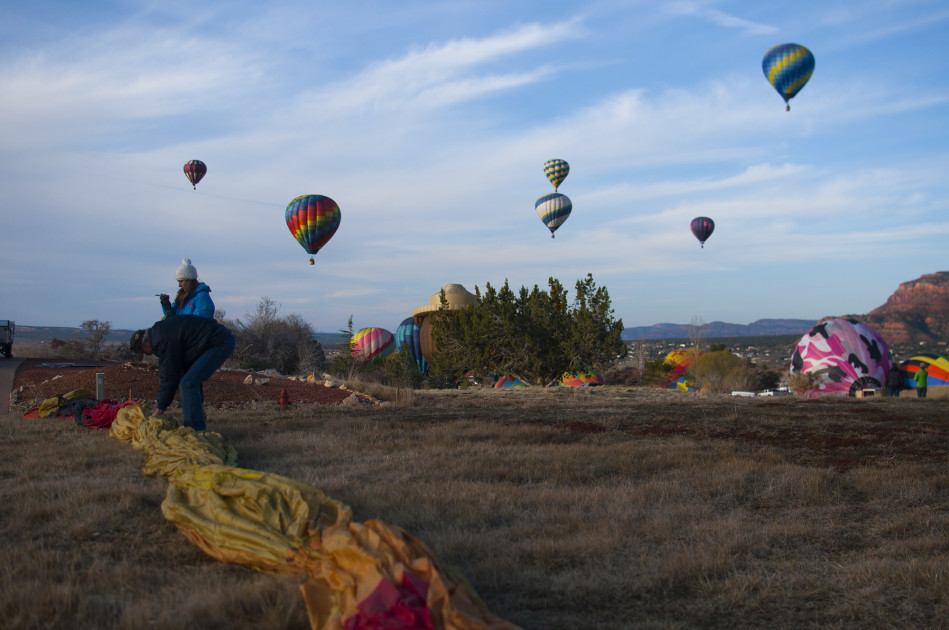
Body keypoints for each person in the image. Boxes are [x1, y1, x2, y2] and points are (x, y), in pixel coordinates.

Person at [129, 315, 235, 431]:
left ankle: (195, 431)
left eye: (143, 352)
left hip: (219, 342)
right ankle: (196, 423)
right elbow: (176, 370)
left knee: (188, 383)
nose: (147, 355)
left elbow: (169, 376)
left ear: (147, 342)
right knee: (187, 379)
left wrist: (160, 408)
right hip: (214, 341)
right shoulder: (159, 333)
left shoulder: (162, 340)